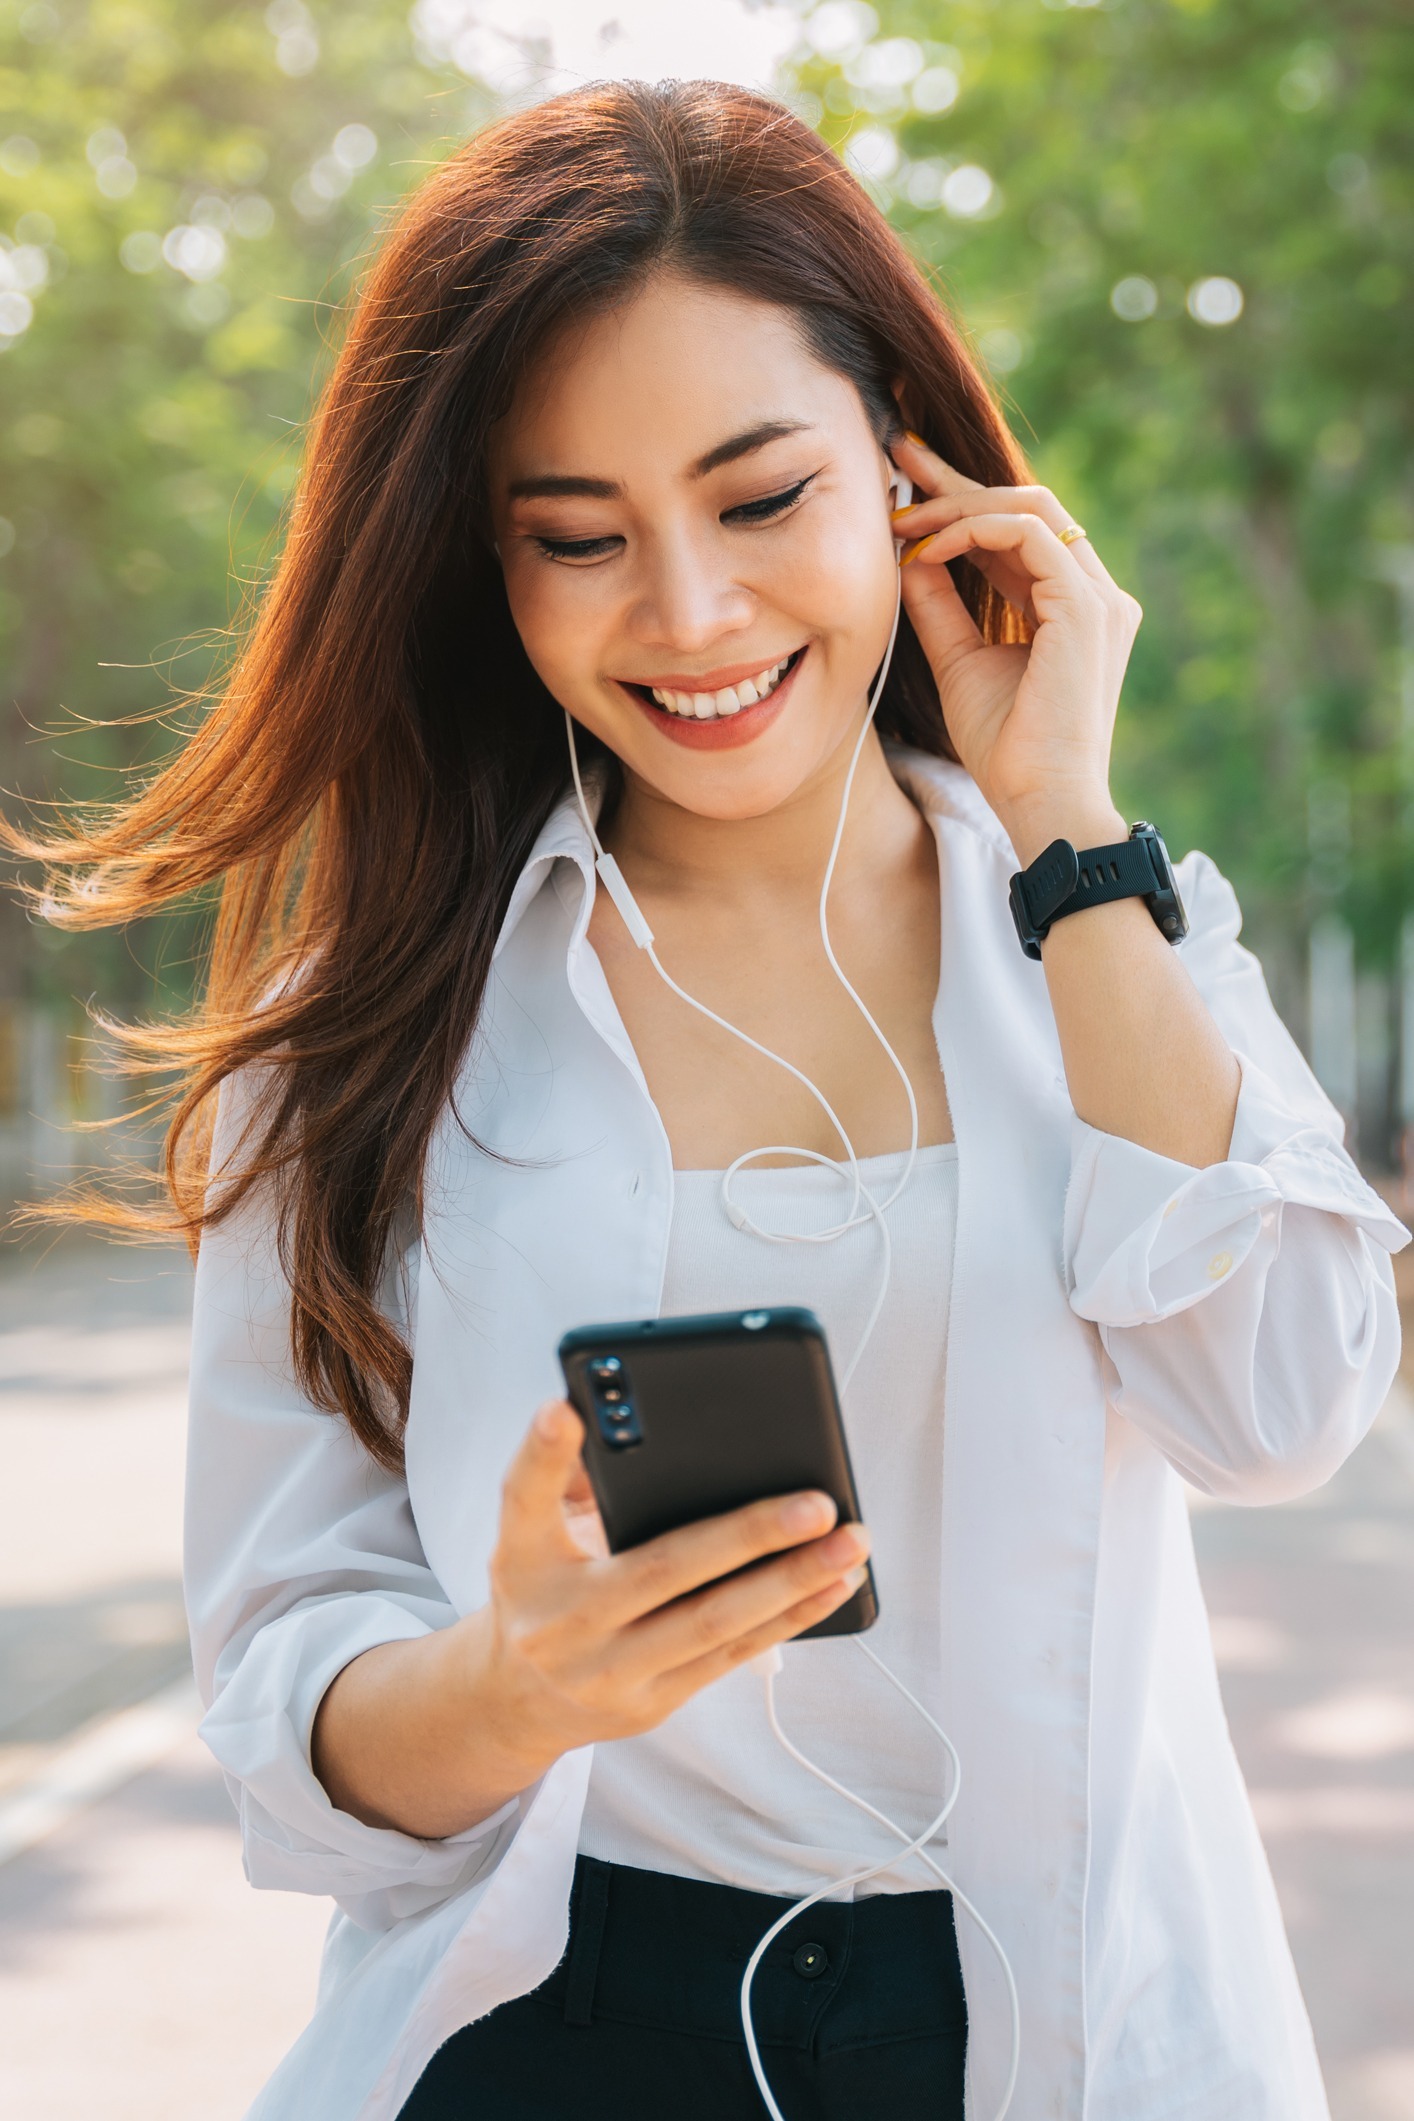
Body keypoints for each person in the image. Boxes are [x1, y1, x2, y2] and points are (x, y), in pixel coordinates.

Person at [17, 79, 1406, 2121]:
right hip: (549, 2021)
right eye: (575, 538)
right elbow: (285, 1681)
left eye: (761, 499)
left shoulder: (1105, 930)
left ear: (905, 473)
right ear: (483, 570)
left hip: (1062, 2031)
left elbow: (1280, 1405)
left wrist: (1063, 823)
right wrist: (503, 1689)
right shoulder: (369, 1026)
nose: (685, 615)